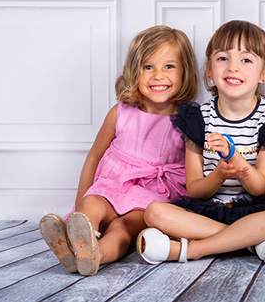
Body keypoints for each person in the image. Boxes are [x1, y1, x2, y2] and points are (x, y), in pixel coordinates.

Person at [39, 25, 199, 276]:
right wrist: (79, 205)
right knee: (93, 203)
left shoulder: (189, 119)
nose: (158, 75)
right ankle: (76, 237)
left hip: (154, 193)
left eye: (169, 66)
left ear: (185, 72)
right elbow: (94, 156)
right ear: (135, 72)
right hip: (114, 184)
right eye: (148, 67)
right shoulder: (121, 112)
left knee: (123, 228)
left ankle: (94, 256)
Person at [137, 20, 265, 265]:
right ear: (209, 71)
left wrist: (233, 157)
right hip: (209, 211)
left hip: (254, 210)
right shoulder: (198, 119)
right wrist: (219, 175)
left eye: (246, 60)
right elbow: (195, 189)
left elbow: (259, 188)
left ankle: (191, 250)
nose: (233, 67)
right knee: (154, 212)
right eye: (223, 58)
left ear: (264, 73)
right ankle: (250, 241)